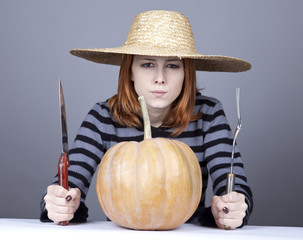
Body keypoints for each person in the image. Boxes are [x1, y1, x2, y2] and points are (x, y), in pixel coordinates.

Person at [40, 10, 253, 230]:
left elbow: (236, 190)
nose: (160, 78)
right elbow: (66, 187)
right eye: (147, 64)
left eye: (172, 65)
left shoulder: (208, 114)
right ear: (130, 70)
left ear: (186, 73)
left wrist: (232, 208)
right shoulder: (103, 116)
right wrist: (60, 204)